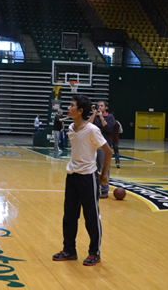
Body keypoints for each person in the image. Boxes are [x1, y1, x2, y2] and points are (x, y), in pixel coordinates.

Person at [53, 94, 111, 267]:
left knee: (91, 217)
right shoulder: (71, 127)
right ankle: (69, 250)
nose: (68, 108)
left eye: (71, 105)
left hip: (88, 178)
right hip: (72, 176)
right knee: (69, 216)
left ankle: (95, 253)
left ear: (79, 111)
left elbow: (107, 151)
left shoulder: (92, 130)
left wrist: (104, 175)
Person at [88, 100, 115, 198]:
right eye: (98, 105)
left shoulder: (110, 117)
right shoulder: (95, 116)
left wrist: (101, 117)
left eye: (101, 106)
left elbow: (108, 128)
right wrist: (94, 114)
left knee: (105, 168)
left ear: (106, 107)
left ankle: (105, 190)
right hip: (94, 146)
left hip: (105, 146)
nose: (99, 107)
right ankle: (96, 189)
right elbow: (88, 125)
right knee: (94, 168)